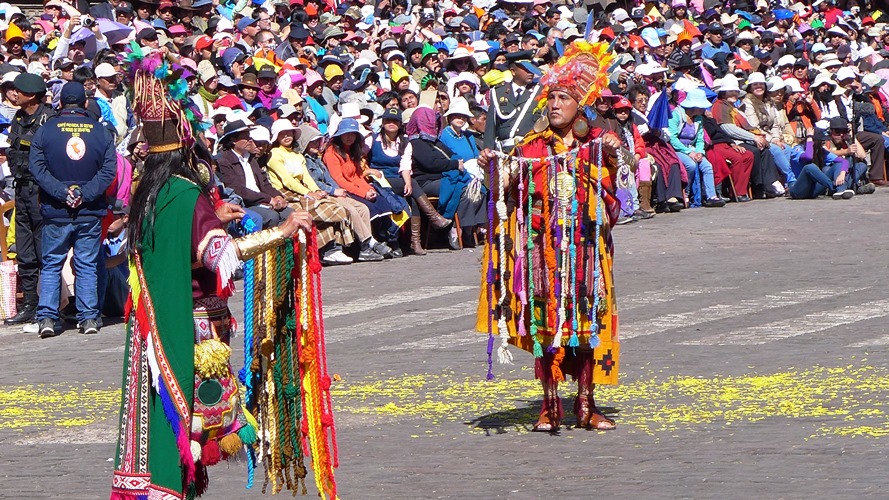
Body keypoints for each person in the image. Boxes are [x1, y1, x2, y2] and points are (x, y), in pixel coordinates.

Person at [111, 49, 314, 499]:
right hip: (194, 329)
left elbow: (178, 245)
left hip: (155, 326)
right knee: (200, 419)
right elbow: (222, 256)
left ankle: (157, 486)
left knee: (163, 417)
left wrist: (213, 216)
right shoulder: (186, 193)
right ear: (187, 144)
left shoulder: (151, 188)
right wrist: (282, 231)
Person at [477, 41, 622, 432]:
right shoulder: (532, 147)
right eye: (552, 98)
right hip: (544, 252)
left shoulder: (598, 143)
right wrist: (492, 165)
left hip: (587, 250)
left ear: (580, 106)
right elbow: (502, 186)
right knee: (547, 326)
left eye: (563, 98)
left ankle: (587, 405)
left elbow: (621, 187)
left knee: (587, 325)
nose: (555, 105)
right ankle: (549, 404)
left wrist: (613, 153)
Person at [29, 82, 117, 338]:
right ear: (84, 104)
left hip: (56, 209)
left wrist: (60, 192)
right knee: (87, 263)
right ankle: (88, 317)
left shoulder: (46, 131)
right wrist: (85, 193)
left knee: (51, 263)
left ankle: (46, 317)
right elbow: (108, 171)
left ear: (60, 103)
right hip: (89, 210)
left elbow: (37, 168)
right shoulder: (100, 133)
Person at [265, 118, 354, 265]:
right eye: (283, 134)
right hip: (286, 193)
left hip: (302, 189)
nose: (287, 136)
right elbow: (287, 181)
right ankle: (324, 251)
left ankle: (333, 249)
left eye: (289, 133)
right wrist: (308, 193)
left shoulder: (297, 155)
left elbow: (306, 176)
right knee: (327, 209)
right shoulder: (275, 154)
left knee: (332, 204)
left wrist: (316, 190)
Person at [368, 106, 451, 256]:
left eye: (395, 121)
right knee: (412, 185)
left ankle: (415, 242)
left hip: (396, 178)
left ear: (400, 124)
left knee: (412, 195)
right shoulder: (372, 139)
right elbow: (360, 159)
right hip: (378, 179)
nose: (391, 123)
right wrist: (367, 171)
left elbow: (405, 166)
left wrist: (407, 182)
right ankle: (434, 217)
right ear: (383, 122)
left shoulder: (405, 143)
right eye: (388, 120)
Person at [4, 73, 53, 326]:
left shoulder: (49, 118)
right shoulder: (19, 117)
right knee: (25, 252)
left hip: (41, 192)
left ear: (31, 95)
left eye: (19, 91)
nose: (15, 94)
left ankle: (48, 307)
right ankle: (29, 305)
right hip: (21, 189)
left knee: (44, 251)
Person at [215, 119, 295, 228]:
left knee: (291, 213)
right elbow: (238, 190)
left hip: (262, 200)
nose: (250, 140)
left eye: (249, 136)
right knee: (272, 216)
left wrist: (277, 196)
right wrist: (268, 199)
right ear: (234, 140)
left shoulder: (251, 158)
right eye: (246, 137)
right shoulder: (224, 161)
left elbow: (265, 183)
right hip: (246, 204)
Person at [666, 88, 726, 208]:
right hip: (677, 149)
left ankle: (711, 196)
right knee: (691, 165)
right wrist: (689, 152)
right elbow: (672, 138)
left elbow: (699, 139)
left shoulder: (698, 119)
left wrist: (699, 152)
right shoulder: (676, 115)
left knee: (707, 166)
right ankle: (686, 194)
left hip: (693, 149)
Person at [483, 50, 543, 151]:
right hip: (505, 151)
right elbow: (491, 126)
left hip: (530, 150)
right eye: (525, 69)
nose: (530, 72)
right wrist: (488, 150)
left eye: (531, 68)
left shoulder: (540, 91)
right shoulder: (498, 92)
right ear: (513, 71)